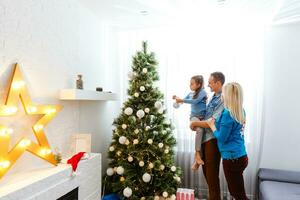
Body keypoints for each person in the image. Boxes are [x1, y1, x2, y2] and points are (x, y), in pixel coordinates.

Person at [207, 82, 249, 200]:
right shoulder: (240, 110)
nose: (221, 95)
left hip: (232, 159)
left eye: (223, 93)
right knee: (238, 191)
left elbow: (221, 137)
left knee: (238, 194)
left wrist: (212, 126)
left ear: (227, 96)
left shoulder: (228, 114)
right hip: (241, 156)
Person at [190, 72, 225, 200]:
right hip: (205, 139)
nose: (208, 85)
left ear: (218, 83)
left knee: (212, 177)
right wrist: (198, 124)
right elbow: (205, 117)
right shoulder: (212, 97)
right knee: (207, 175)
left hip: (213, 141)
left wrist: (194, 123)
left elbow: (212, 122)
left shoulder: (222, 99)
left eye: (210, 82)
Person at [173, 75, 207, 170]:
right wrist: (177, 101)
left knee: (204, 138)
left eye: (192, 84)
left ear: (199, 84)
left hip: (203, 117)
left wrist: (182, 100)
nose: (190, 85)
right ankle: (197, 153)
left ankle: (197, 160)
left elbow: (195, 101)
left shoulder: (203, 92)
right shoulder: (190, 93)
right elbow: (181, 102)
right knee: (200, 130)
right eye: (190, 83)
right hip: (194, 117)